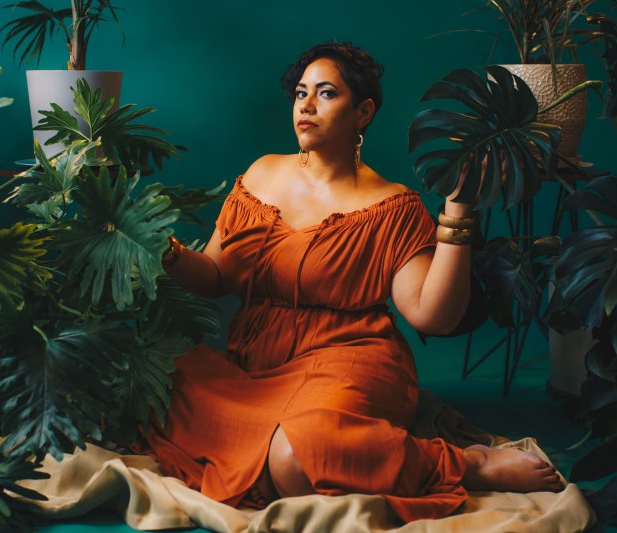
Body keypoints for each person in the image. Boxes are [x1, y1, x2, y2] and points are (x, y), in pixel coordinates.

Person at [147, 42, 564, 523]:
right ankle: (317, 448)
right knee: (163, 388)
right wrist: (164, 249)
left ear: (363, 111)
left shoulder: (392, 205)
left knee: (294, 459)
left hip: (350, 356)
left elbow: (433, 316)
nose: (306, 105)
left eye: (326, 93)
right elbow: (216, 275)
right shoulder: (261, 173)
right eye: (301, 93)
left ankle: (467, 464)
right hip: (258, 363)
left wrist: (458, 209)